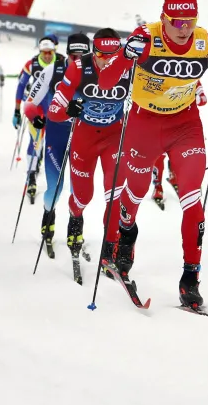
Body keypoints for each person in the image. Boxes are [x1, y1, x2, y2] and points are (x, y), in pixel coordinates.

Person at [97, 0, 208, 309]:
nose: (183, 28)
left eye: (190, 19)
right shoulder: (146, 37)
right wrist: (124, 56)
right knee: (135, 190)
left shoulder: (203, 43)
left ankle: (191, 278)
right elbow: (105, 82)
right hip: (144, 123)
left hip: (184, 125)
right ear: (164, 18)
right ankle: (126, 234)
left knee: (192, 197)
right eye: (176, 21)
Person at [47, 28, 130, 261]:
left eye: (113, 55)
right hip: (85, 138)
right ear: (94, 52)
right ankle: (75, 216)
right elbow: (54, 112)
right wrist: (68, 110)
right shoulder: (78, 67)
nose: (107, 61)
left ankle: (110, 247)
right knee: (83, 196)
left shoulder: (128, 67)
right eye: (102, 55)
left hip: (114, 137)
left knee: (114, 194)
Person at [23, 33, 90, 251]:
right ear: (67, 54)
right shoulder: (52, 70)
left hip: (83, 135)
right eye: (73, 55)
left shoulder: (95, 73)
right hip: (56, 133)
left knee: (79, 188)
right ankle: (48, 219)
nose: (77, 59)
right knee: (56, 186)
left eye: (82, 55)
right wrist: (36, 117)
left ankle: (75, 227)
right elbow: (30, 102)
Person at [14, 34, 62, 203]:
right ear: (40, 51)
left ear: (54, 50)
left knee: (53, 144)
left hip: (57, 109)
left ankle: (55, 176)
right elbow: (20, 86)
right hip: (38, 108)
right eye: (44, 52)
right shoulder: (31, 64)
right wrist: (17, 110)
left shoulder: (62, 61)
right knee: (35, 141)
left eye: (50, 52)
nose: (47, 56)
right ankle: (32, 175)